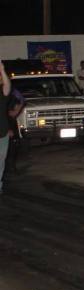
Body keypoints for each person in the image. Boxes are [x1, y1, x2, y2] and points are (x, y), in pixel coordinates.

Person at [0, 61, 12, 194]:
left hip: (2, 132)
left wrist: (2, 70)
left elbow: (8, 87)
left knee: (1, 161)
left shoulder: (2, 94)